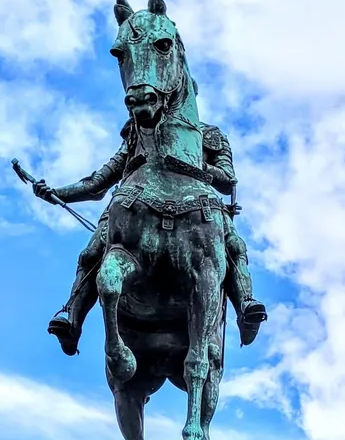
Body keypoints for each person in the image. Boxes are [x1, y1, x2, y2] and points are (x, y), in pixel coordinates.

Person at [33, 121, 266, 356]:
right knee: (92, 252)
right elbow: (98, 183)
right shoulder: (140, 132)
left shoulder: (209, 134)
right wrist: (57, 193)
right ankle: (72, 318)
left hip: (197, 208)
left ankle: (245, 306)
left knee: (234, 245)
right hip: (134, 208)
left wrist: (192, 162)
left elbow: (227, 180)